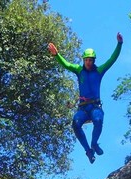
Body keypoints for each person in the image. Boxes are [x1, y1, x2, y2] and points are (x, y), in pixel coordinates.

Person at [48, 33, 123, 164]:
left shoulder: (99, 71)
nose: (88, 62)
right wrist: (56, 55)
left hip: (95, 106)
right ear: (83, 60)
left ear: (94, 61)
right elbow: (66, 64)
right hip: (83, 108)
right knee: (75, 124)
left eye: (91, 60)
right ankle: (88, 151)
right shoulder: (79, 70)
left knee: (98, 120)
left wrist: (119, 44)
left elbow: (112, 59)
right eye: (86, 60)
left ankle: (94, 143)